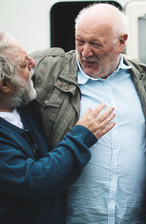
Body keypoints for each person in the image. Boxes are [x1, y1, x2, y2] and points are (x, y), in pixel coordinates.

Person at [30, 3, 146, 223]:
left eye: (96, 44)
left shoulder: (143, 78)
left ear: (121, 42)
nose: (85, 52)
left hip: (134, 219)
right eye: (80, 42)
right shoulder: (46, 71)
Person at [0, 29, 115, 224]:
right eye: (23, 64)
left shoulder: (23, 107)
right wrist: (81, 136)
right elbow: (35, 181)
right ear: (4, 84)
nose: (33, 63)